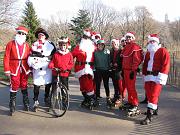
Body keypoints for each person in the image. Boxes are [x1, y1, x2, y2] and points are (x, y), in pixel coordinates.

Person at [140, 34, 170, 125]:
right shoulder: (148, 52)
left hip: (157, 76)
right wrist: (144, 74)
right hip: (148, 76)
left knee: (153, 95)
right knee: (149, 95)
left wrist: (162, 76)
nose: (152, 43)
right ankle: (154, 109)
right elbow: (145, 64)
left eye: (153, 41)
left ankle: (149, 116)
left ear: (157, 42)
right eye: (150, 41)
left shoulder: (163, 51)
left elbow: (166, 64)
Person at [3, 26, 31, 115]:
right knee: (14, 84)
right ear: (17, 33)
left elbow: (30, 58)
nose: (21, 35)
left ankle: (26, 103)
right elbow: (6, 57)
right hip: (14, 67)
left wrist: (30, 68)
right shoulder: (10, 44)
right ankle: (12, 105)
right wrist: (7, 69)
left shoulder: (27, 45)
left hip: (24, 67)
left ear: (25, 35)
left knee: (24, 84)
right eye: (20, 33)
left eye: (23, 34)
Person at [27, 27, 56, 111]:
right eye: (39, 35)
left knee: (48, 83)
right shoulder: (34, 44)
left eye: (42, 35)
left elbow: (54, 55)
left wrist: (51, 61)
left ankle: (46, 97)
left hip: (47, 68)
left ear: (45, 36)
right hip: (37, 67)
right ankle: (35, 100)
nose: (40, 36)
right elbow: (30, 55)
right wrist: (32, 64)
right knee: (37, 85)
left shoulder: (50, 44)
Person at [72, 29, 96, 109]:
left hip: (88, 69)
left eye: (87, 37)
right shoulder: (78, 47)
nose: (85, 38)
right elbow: (71, 56)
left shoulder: (93, 48)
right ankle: (87, 99)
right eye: (84, 37)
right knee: (82, 86)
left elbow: (99, 57)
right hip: (79, 69)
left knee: (88, 85)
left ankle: (91, 99)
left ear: (90, 38)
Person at [121, 32, 143, 115]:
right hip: (125, 70)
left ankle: (135, 104)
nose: (128, 39)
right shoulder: (126, 47)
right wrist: (123, 70)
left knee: (131, 88)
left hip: (131, 71)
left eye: (130, 37)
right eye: (127, 37)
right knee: (128, 87)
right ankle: (130, 102)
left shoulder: (135, 47)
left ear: (133, 38)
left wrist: (133, 70)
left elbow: (136, 60)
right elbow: (124, 59)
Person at [94, 39, 111, 107]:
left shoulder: (107, 52)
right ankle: (97, 97)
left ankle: (108, 97)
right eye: (99, 45)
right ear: (97, 45)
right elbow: (94, 61)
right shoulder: (95, 52)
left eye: (102, 45)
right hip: (98, 70)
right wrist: (94, 68)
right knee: (97, 85)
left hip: (105, 70)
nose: (100, 46)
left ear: (104, 45)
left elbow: (109, 61)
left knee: (106, 84)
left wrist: (110, 68)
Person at [109, 38, 123, 108]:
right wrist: (111, 63)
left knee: (119, 84)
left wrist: (118, 64)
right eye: (112, 43)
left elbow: (123, 61)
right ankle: (116, 95)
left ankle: (120, 97)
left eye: (114, 43)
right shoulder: (111, 51)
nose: (113, 45)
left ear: (117, 44)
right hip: (113, 70)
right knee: (114, 84)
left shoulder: (121, 51)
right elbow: (110, 59)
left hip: (119, 70)